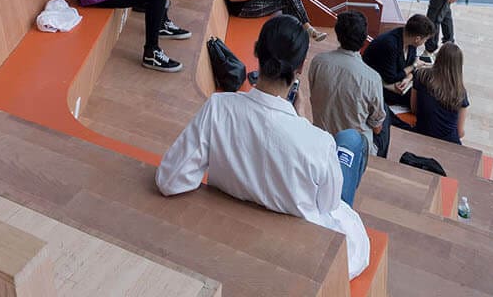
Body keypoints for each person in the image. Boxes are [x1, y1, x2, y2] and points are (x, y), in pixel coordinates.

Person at [157, 15, 371, 280]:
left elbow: (170, 180)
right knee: (351, 141)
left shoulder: (218, 108)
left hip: (239, 224)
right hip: (301, 245)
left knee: (348, 142)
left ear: (257, 51)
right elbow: (328, 204)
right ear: (300, 67)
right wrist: (303, 124)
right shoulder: (318, 142)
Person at [308, 11, 390, 157]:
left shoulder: (318, 62)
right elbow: (377, 128)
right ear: (364, 38)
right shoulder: (372, 78)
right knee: (385, 114)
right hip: (354, 150)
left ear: (337, 34)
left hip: (322, 138)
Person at [362, 13, 435, 111]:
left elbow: (411, 65)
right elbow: (391, 78)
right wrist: (414, 66)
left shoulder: (410, 41)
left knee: (430, 89)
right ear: (417, 39)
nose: (424, 43)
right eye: (425, 40)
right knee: (423, 99)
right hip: (378, 85)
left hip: (397, 81)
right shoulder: (389, 44)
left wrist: (408, 78)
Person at [408, 43, 469, 145]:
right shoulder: (460, 92)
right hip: (449, 143)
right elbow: (460, 132)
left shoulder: (421, 75)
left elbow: (414, 108)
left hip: (422, 134)